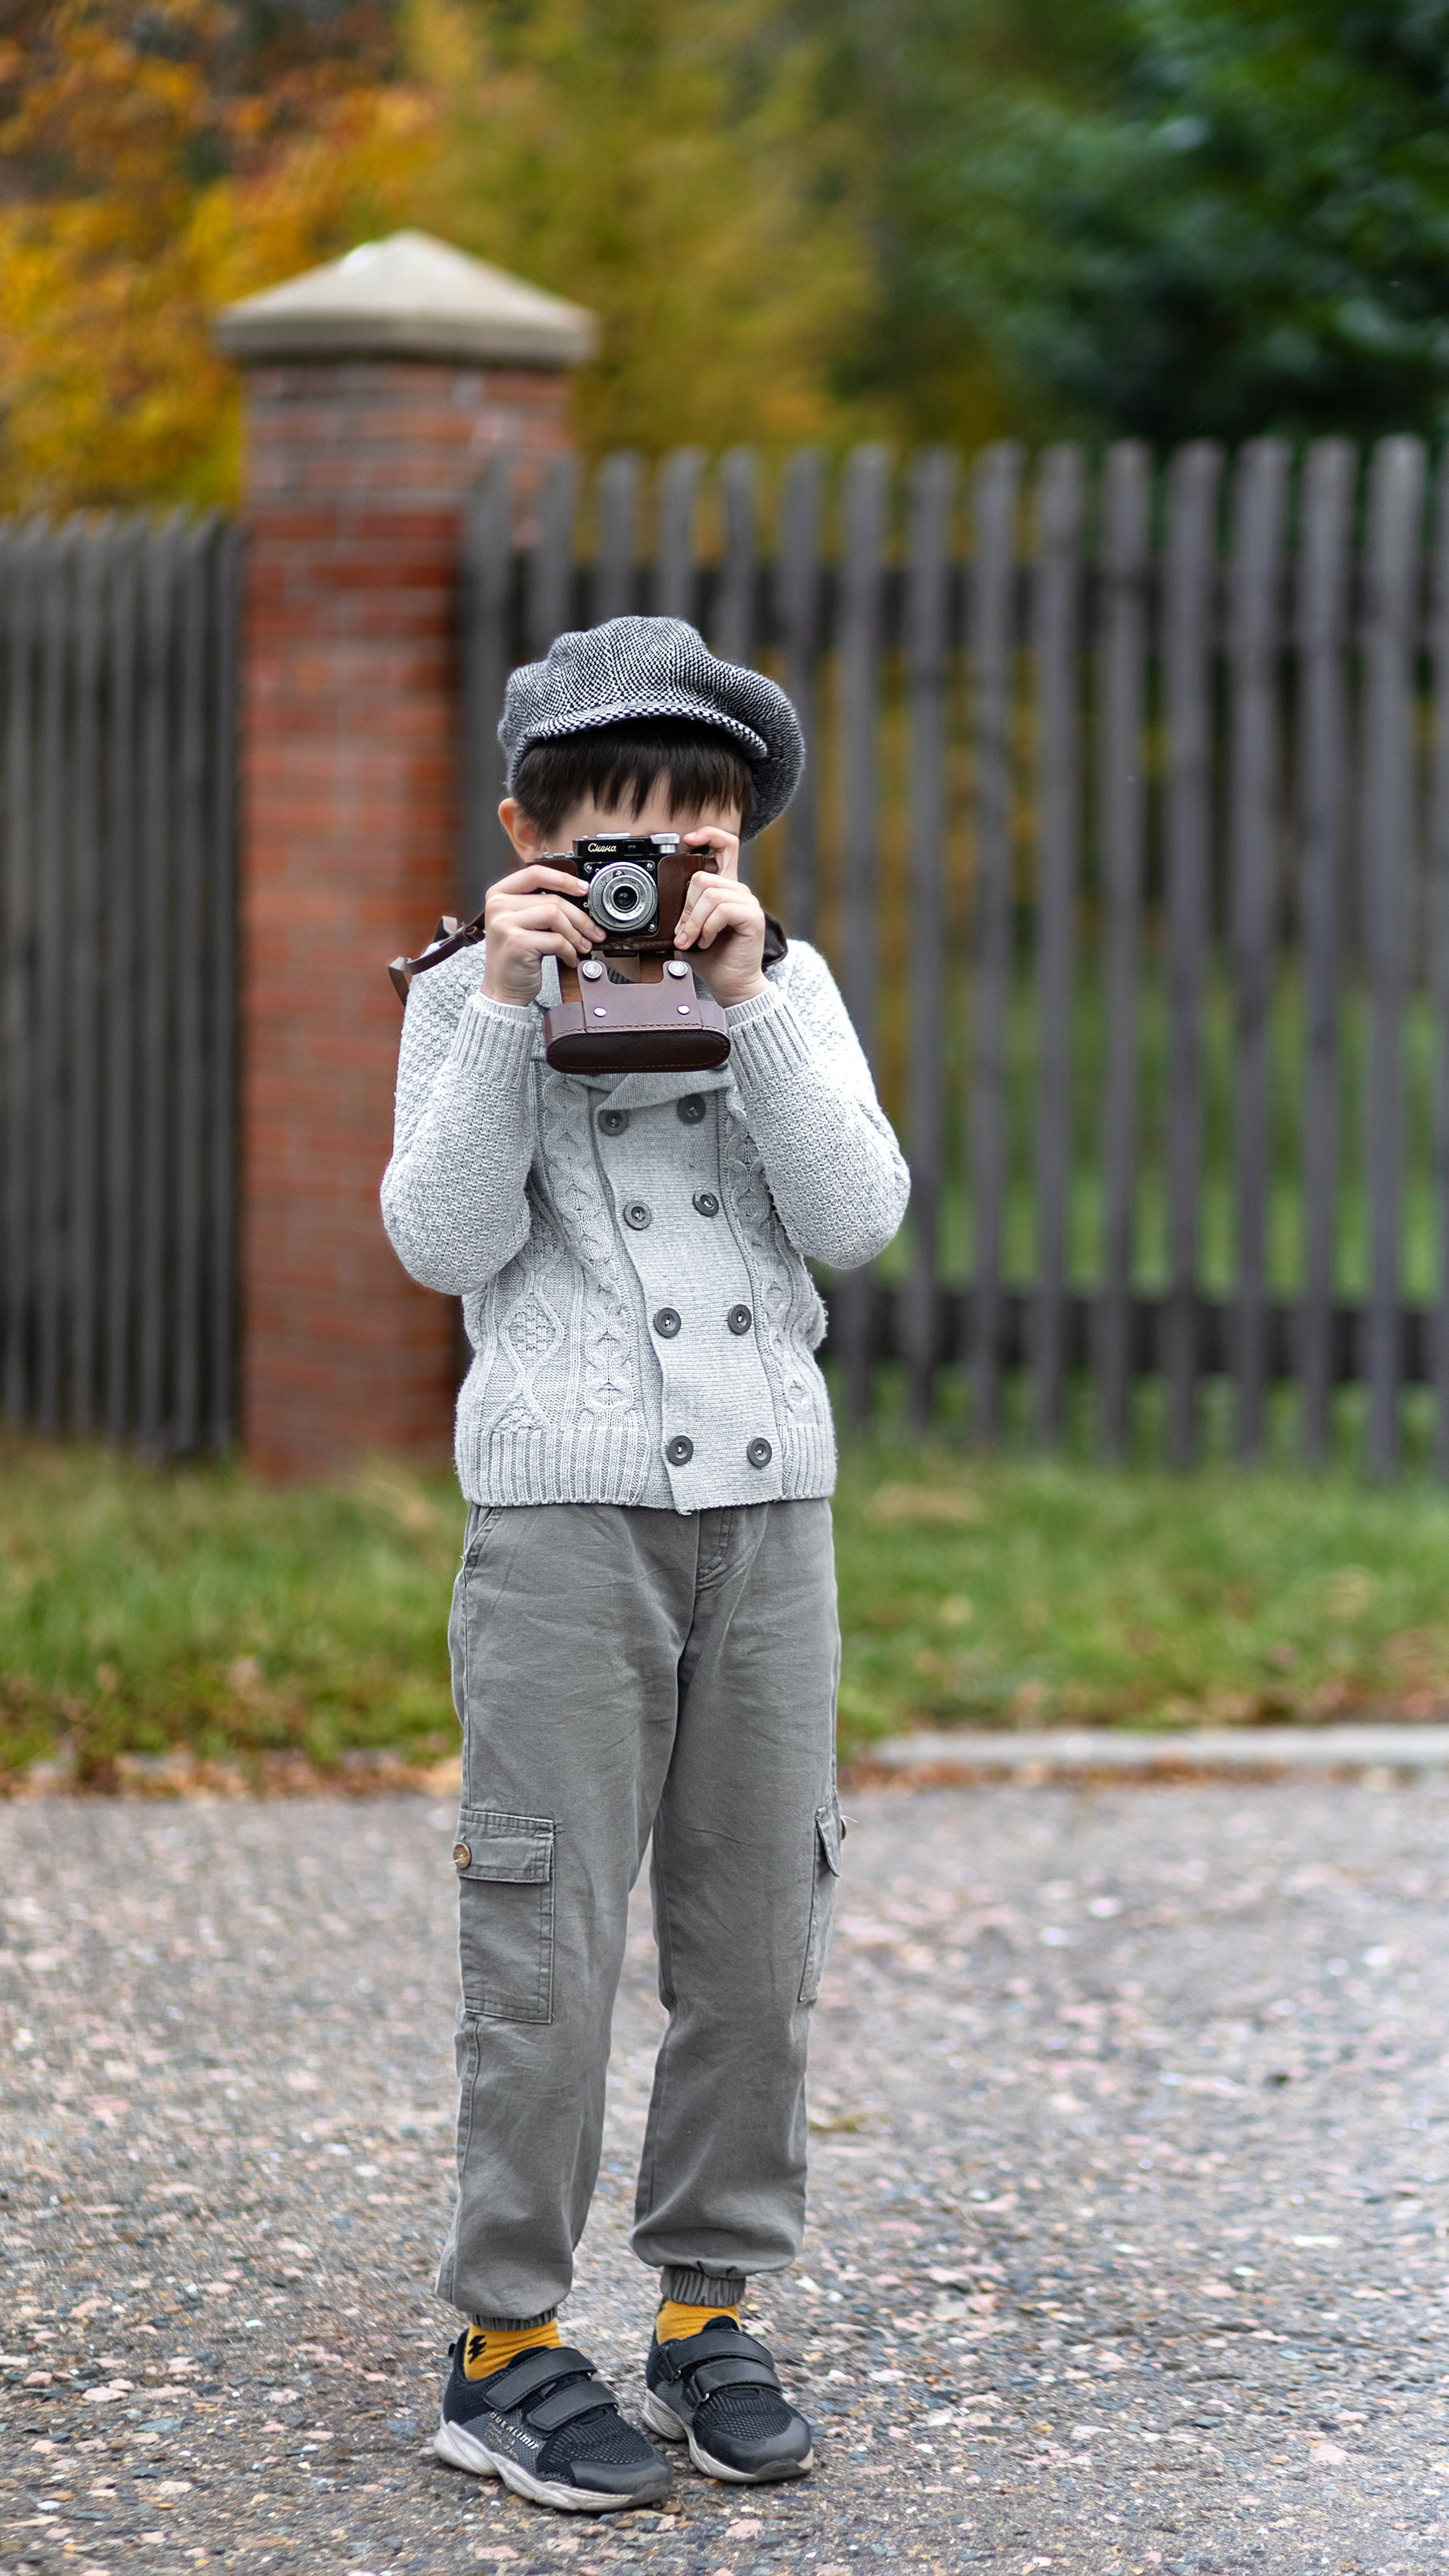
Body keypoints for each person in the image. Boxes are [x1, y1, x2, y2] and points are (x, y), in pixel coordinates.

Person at [380, 616, 910, 2515]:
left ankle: (708, 2313)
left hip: (771, 1522)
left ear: (738, 854)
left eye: (694, 845)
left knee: (760, 1936)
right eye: (616, 842)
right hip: (563, 1529)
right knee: (546, 1940)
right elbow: (441, 1244)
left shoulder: (788, 990)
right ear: (532, 834)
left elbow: (856, 1215)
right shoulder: (468, 1004)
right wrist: (511, 1007)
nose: (650, 881)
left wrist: (756, 999)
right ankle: (505, 2346)